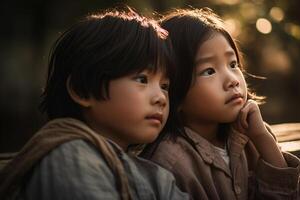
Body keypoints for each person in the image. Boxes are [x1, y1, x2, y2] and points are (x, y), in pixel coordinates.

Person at [0, 7, 189, 200]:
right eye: (142, 79)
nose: (161, 98)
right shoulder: (71, 155)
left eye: (165, 86)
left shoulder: (157, 176)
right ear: (82, 90)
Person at [141, 8, 300, 200]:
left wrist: (263, 138)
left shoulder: (252, 134)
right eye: (209, 71)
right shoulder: (170, 164)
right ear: (174, 91)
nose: (232, 80)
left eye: (232, 64)